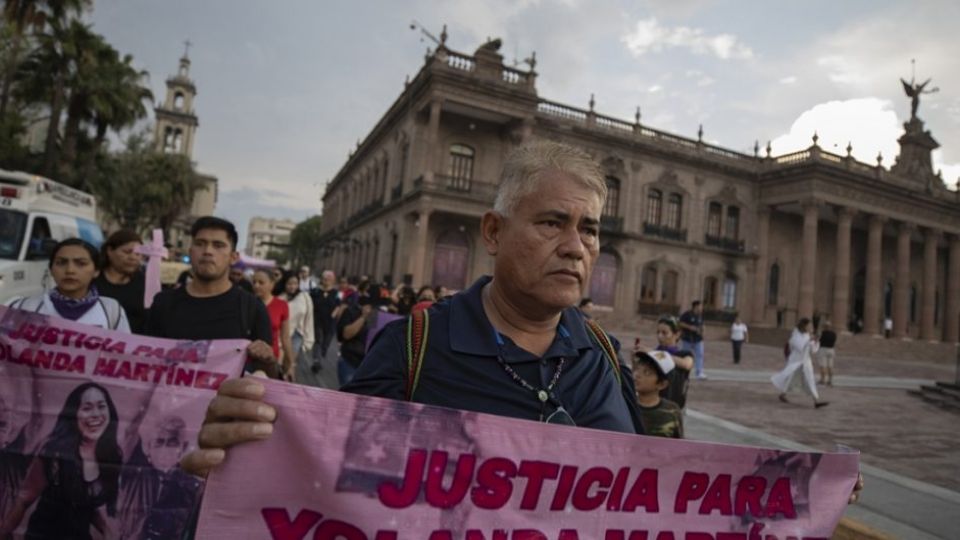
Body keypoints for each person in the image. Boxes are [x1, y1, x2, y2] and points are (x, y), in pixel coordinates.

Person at [182, 140, 645, 479]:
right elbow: (324, 476)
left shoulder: (604, 355)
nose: (575, 248)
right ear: (493, 232)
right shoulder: (412, 348)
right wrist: (254, 448)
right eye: (552, 222)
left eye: (589, 229)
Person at [144, 216, 277, 378]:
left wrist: (267, 359)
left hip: (226, 403)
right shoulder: (163, 302)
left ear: (233, 257)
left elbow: (269, 377)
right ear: (191, 251)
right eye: (200, 243)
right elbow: (144, 363)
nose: (208, 251)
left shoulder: (251, 308)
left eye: (218, 245)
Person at [0, 383, 123, 538]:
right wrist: (4, 532)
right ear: (73, 414)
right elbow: (23, 500)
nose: (95, 414)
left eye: (101, 406)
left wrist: (107, 531)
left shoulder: (112, 456)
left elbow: (84, 504)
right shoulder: (54, 454)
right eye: (87, 408)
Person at [10, 238, 130, 332]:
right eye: (61, 263)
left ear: (96, 271)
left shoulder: (112, 311)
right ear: (51, 269)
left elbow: (123, 356)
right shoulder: (25, 307)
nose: (70, 270)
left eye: (81, 263)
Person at [117, 415, 202, 540]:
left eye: (172, 443)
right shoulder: (134, 476)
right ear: (148, 447)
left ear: (183, 447)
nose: (165, 449)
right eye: (159, 442)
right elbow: (130, 431)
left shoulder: (193, 488)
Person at [94, 229, 147, 333]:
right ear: (110, 251)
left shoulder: (144, 283)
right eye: (127, 252)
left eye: (138, 254)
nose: (133, 258)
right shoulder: (92, 280)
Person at [771, 318, 829, 408]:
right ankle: (782, 394)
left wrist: (816, 341)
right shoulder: (795, 335)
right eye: (809, 325)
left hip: (806, 361)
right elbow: (799, 347)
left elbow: (813, 350)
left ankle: (816, 400)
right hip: (795, 360)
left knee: (810, 380)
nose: (811, 327)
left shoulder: (807, 336)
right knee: (789, 377)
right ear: (804, 326)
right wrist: (810, 339)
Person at [252, 269, 294, 380]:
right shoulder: (247, 303)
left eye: (261, 282)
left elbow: (285, 337)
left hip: (270, 360)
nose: (256, 285)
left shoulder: (282, 305)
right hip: (248, 359)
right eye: (254, 282)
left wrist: (290, 363)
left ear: (272, 284)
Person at [633, 350, 683, 438]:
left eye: (647, 372)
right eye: (637, 369)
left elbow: (678, 446)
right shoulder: (626, 405)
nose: (637, 375)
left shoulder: (672, 412)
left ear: (662, 384)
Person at [647, 315, 694, 409]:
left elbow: (686, 364)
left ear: (677, 334)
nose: (660, 336)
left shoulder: (684, 354)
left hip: (674, 406)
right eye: (658, 332)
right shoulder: (653, 353)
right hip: (653, 404)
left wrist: (656, 355)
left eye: (665, 333)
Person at [278, 271, 315, 383]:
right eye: (289, 283)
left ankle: (288, 386)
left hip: (296, 335)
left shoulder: (305, 297)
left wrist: (308, 339)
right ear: (284, 284)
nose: (292, 286)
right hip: (281, 334)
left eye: (295, 283)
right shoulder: (280, 298)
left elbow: (309, 318)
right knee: (279, 365)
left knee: (290, 364)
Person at [309, 270, 340, 373]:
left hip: (330, 323)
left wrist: (334, 313)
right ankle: (316, 361)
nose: (326, 281)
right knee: (318, 340)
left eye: (329, 279)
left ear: (333, 281)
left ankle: (320, 357)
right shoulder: (315, 291)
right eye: (324, 279)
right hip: (317, 320)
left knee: (325, 344)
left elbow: (339, 305)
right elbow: (309, 303)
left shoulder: (336, 293)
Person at [679, 300, 706, 379]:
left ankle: (699, 372)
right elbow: (680, 323)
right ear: (696, 306)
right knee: (685, 355)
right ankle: (683, 372)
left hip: (698, 339)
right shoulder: (687, 314)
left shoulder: (700, 316)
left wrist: (703, 331)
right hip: (687, 339)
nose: (701, 308)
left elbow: (702, 324)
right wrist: (690, 327)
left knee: (700, 355)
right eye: (700, 306)